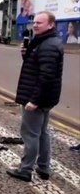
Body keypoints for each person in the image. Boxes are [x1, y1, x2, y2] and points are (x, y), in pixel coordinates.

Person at [7, 11, 64, 182]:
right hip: (45, 98)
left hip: (37, 98)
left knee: (30, 134)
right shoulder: (44, 42)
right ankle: (43, 167)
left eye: (40, 22)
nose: (35, 25)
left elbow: (46, 77)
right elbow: (36, 66)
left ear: (51, 24)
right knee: (42, 133)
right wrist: (26, 54)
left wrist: (34, 100)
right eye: (35, 22)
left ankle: (25, 170)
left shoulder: (48, 45)